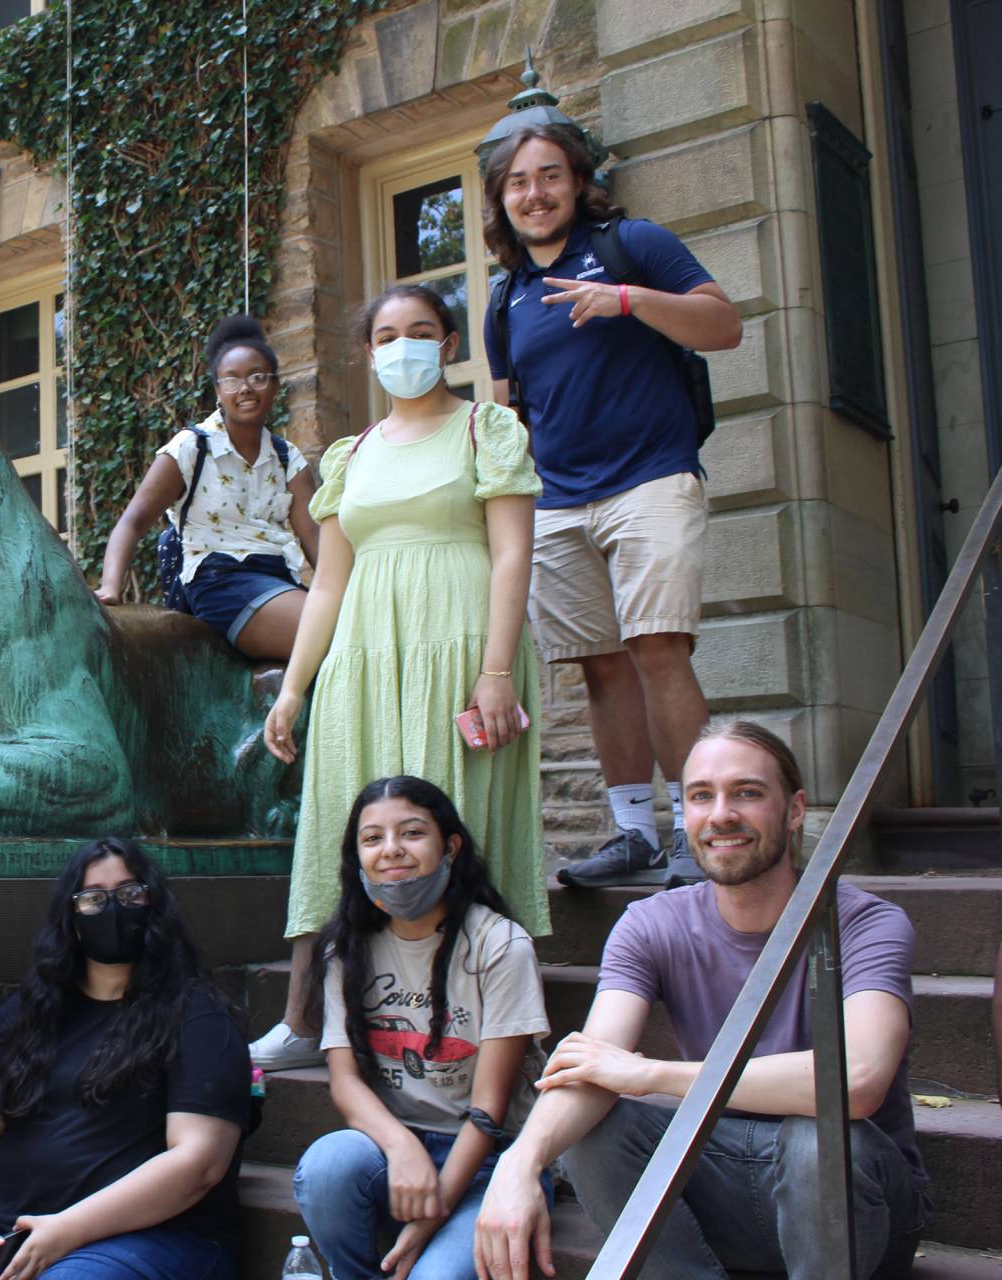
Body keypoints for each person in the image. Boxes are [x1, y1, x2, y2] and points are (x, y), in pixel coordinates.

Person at [473, 721, 931, 1280]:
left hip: (859, 1200)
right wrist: (519, 1164)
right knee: (591, 1131)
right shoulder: (650, 924)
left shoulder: (865, 923)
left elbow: (855, 1082)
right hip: (728, 1180)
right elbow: (591, 1065)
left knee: (817, 1137)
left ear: (794, 810)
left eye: (747, 793)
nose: (720, 815)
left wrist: (655, 1075)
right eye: (700, 796)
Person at [251, 284, 547, 1073]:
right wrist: (293, 687)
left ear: (449, 344)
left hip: (460, 651)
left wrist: (495, 671)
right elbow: (328, 584)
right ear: (370, 350)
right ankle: (306, 1016)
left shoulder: (488, 431)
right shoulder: (349, 457)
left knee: (461, 823)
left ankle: (490, 1016)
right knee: (340, 825)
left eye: (421, 331)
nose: (403, 347)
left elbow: (514, 551)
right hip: (363, 657)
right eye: (386, 335)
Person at [481, 122, 743, 888]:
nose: (536, 193)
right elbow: (507, 420)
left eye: (550, 175)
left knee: (659, 648)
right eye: (519, 181)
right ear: (502, 198)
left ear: (576, 181)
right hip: (558, 502)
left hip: (651, 479)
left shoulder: (635, 243)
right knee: (600, 669)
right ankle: (634, 833)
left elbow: (723, 326)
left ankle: (701, 834)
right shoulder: (505, 302)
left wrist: (627, 299)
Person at [0, 836, 249, 1280]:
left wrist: (66, 1231)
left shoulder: (198, 1016)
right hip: (9, 1235)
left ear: (156, 907)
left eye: (130, 894)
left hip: (147, 1238)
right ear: (70, 920)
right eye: (92, 899)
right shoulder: (27, 1012)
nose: (113, 909)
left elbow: (199, 1162)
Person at [293, 776, 551, 1280]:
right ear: (356, 856)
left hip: (488, 1163)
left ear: (450, 846)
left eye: (411, 833)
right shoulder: (345, 951)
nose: (391, 851)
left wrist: (432, 1216)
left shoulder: (499, 945)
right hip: (392, 1152)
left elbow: (489, 1108)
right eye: (372, 839)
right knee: (328, 1165)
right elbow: (345, 1083)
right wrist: (400, 1146)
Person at [96, 315, 319, 661]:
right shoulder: (191, 447)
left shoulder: (287, 458)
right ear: (217, 390)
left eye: (258, 377)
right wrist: (112, 586)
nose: (245, 388)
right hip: (219, 583)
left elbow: (315, 538)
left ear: (275, 386)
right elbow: (133, 520)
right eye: (231, 379)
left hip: (279, 580)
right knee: (328, 631)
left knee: (353, 626)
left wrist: (348, 592)